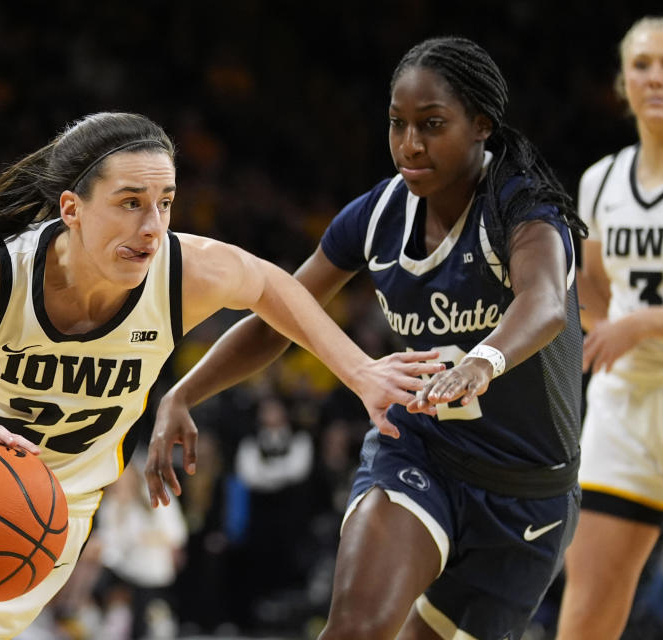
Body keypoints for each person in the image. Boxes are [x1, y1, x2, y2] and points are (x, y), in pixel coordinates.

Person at [0, 111, 442, 640]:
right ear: (71, 208)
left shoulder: (182, 272)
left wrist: (360, 372)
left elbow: (270, 285)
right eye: (130, 204)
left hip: (51, 504)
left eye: (165, 203)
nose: (152, 227)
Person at [145, 38, 588, 640]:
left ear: (481, 125)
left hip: (526, 494)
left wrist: (484, 360)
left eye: (432, 125)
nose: (410, 144)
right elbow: (281, 315)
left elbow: (543, 304)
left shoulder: (525, 209)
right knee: (354, 628)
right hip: (422, 453)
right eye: (397, 124)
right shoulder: (377, 214)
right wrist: (183, 394)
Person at [556, 17, 663, 640]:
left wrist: (644, 322)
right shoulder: (601, 181)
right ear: (624, 81)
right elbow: (592, 283)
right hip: (624, 407)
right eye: (643, 63)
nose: (655, 76)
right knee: (588, 614)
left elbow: (628, 314)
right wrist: (601, 328)